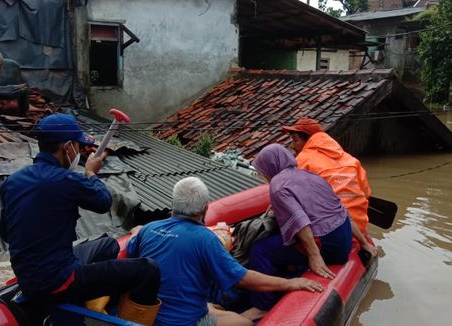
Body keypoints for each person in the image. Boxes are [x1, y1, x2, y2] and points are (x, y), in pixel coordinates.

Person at [0, 113, 161, 325]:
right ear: (67, 147)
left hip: (29, 279)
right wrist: (91, 173)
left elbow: (6, 234)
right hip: (59, 281)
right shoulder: (67, 180)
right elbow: (103, 201)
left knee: (107, 245)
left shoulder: (13, 181)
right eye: (76, 145)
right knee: (148, 270)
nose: (78, 151)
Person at [127, 176, 324, 326]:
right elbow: (244, 279)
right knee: (246, 323)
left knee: (211, 303)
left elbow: (133, 244)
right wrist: (290, 283)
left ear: (173, 203)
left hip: (148, 313)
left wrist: (137, 230)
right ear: (205, 209)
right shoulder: (205, 239)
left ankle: (207, 307)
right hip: (185, 321)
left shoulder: (148, 229)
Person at [249, 144, 353, 315]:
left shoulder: (277, 185)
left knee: (260, 250)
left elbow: (299, 219)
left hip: (328, 246)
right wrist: (362, 241)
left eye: (263, 171)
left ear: (270, 167)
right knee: (281, 242)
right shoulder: (308, 175)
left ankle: (261, 307)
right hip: (344, 239)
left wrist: (314, 256)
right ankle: (290, 269)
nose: (264, 176)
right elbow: (339, 209)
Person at [282, 118, 377, 257]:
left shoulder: (302, 161)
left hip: (330, 234)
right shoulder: (351, 160)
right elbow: (366, 193)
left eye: (294, 140)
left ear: (306, 140)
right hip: (359, 228)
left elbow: (291, 202)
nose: (291, 146)